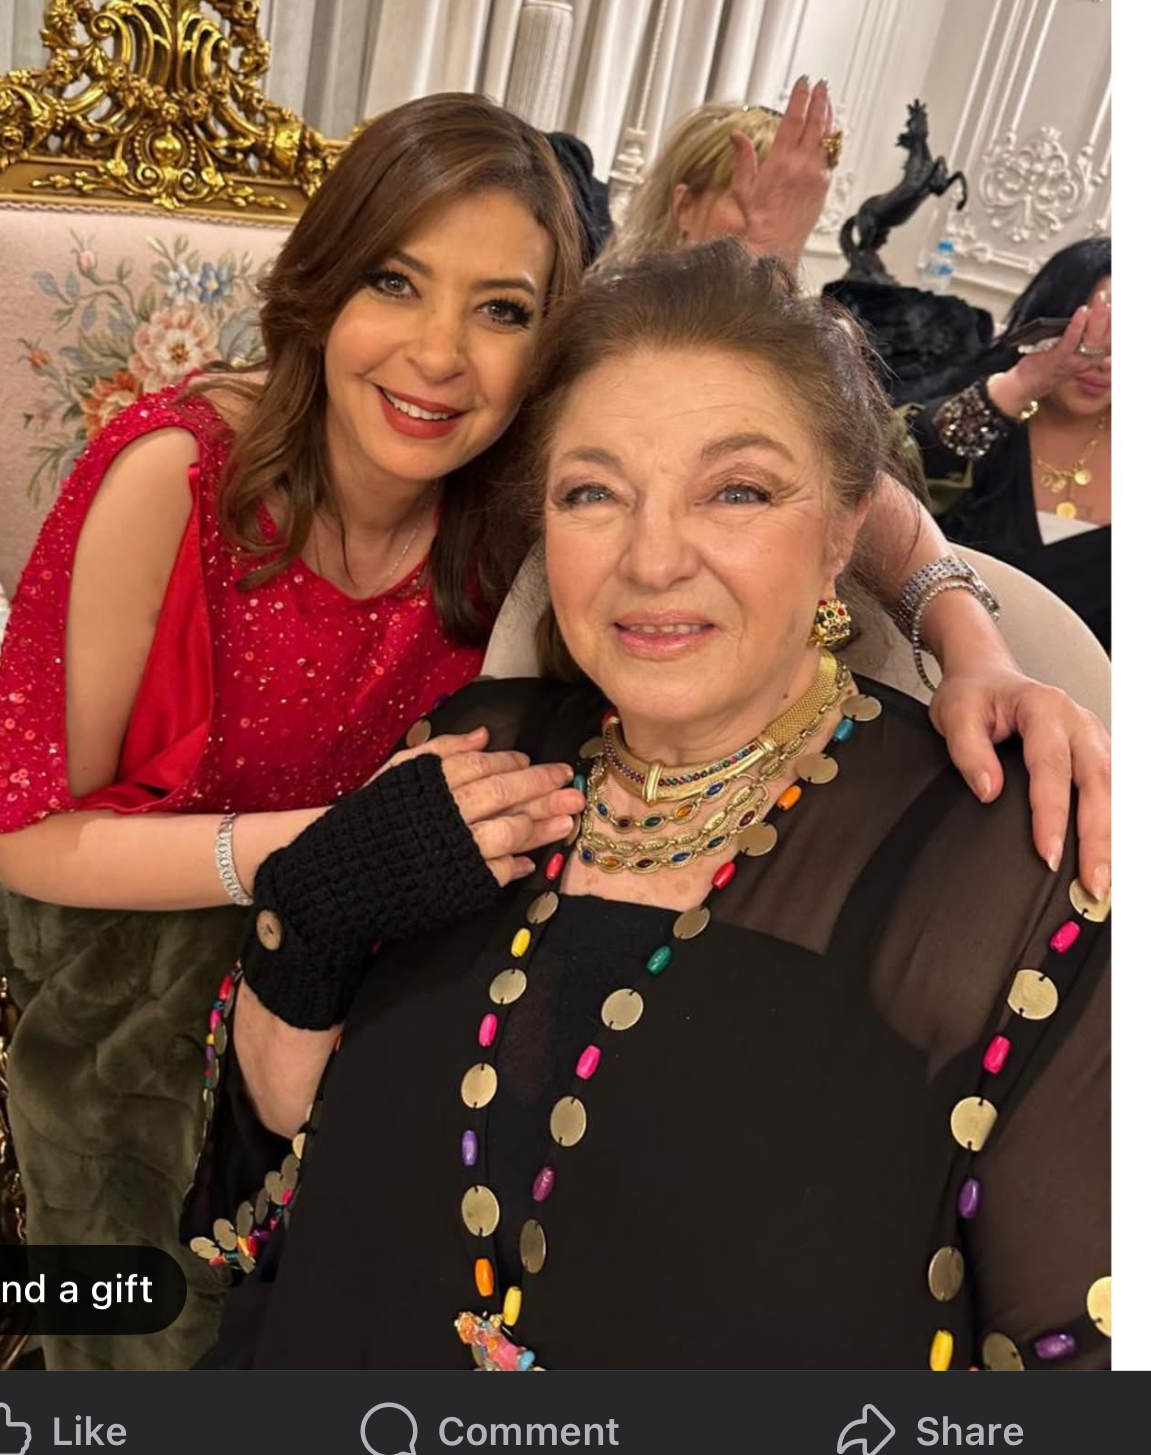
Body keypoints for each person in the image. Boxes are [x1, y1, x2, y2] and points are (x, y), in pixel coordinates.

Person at [0, 98, 1108, 1369]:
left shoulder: (515, 484)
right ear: (321, 287)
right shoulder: (181, 475)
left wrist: (970, 638)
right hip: (156, 956)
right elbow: (23, 835)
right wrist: (336, 854)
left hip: (410, 910)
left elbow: (816, 471)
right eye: (395, 282)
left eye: (501, 309)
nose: (438, 355)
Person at [201, 243, 1109, 1374]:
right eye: (593, 492)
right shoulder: (472, 747)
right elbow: (279, 1134)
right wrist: (313, 918)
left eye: (737, 491)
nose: (653, 557)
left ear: (843, 531)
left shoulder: (1008, 863)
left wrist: (961, 629)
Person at [905, 242, 1111, 651]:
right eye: (1087, 334)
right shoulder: (985, 415)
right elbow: (894, 471)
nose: (1104, 361)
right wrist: (1021, 385)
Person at [612, 79, 839, 273]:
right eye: (747, 199)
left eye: (788, 206)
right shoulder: (629, 305)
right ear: (686, 207)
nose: (776, 222)